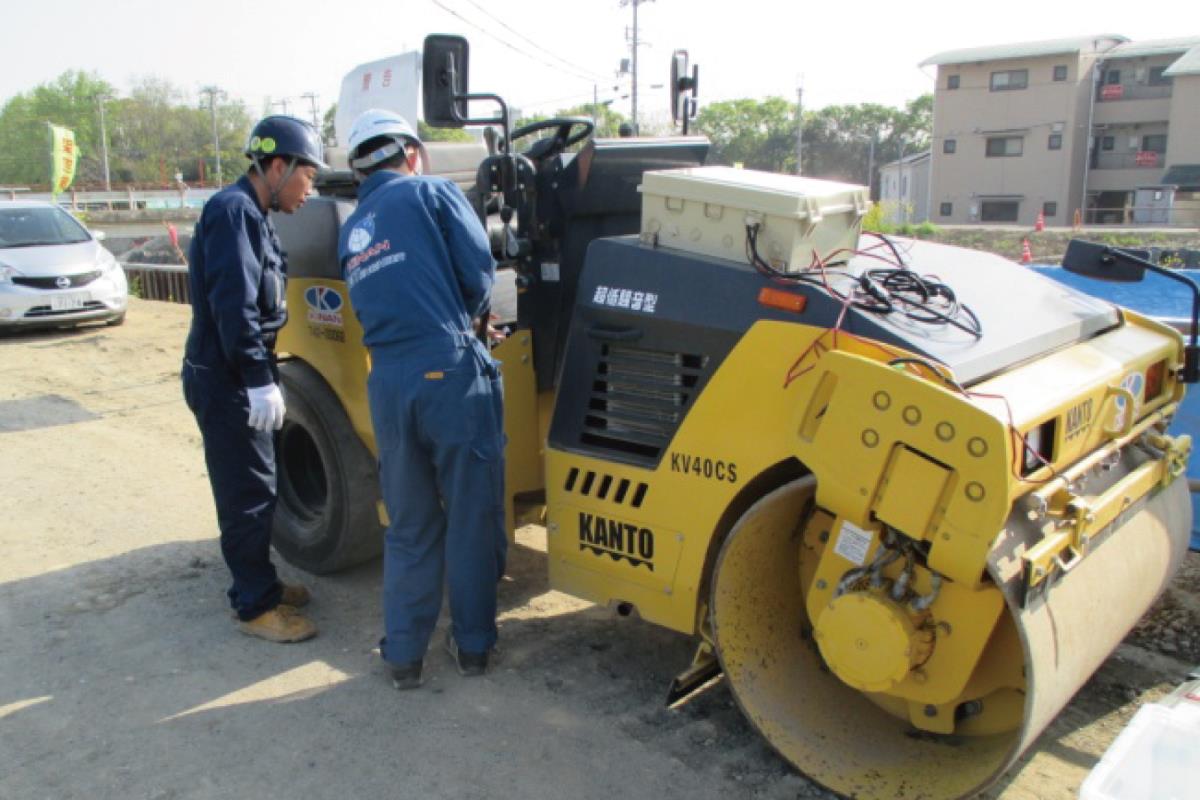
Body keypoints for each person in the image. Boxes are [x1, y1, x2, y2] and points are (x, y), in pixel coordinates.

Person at [338, 109, 506, 690]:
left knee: (409, 523)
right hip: (449, 372)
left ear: (360, 168)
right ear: (411, 153)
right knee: (469, 515)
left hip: (388, 381)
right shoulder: (431, 191)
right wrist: (461, 323)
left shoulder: (352, 226)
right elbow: (479, 271)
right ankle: (474, 646)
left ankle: (404, 657)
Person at [181, 115, 327, 643]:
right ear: (277, 165)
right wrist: (257, 379)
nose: (310, 192)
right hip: (225, 374)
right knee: (247, 489)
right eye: (307, 177)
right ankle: (254, 605)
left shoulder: (257, 213)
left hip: (241, 369)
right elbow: (234, 306)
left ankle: (258, 578)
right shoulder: (232, 211)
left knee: (261, 483)